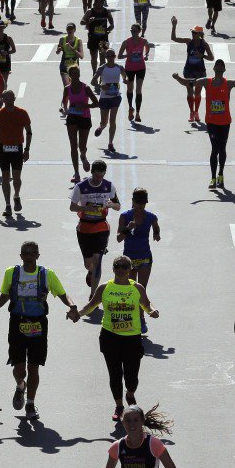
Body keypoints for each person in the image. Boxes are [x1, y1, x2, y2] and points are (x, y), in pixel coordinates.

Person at [0, 241, 79, 419]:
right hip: (17, 324)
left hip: (38, 324)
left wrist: (72, 306)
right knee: (19, 368)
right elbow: (5, 295)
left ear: (38, 255)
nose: (28, 257)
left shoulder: (47, 274)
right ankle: (20, 386)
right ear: (21, 256)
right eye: (25, 253)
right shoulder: (11, 273)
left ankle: (30, 404)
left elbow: (62, 294)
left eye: (32, 253)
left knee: (34, 367)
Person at [77, 255, 158, 420]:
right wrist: (78, 314)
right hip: (110, 336)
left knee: (131, 376)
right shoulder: (104, 287)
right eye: (117, 266)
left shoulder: (137, 288)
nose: (121, 270)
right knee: (114, 374)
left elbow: (146, 304)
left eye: (124, 267)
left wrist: (152, 311)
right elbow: (91, 305)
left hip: (132, 338)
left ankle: (130, 392)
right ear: (113, 269)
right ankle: (119, 406)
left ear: (129, 270)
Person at [182, 58, 235, 189]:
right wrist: (178, 78)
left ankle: (221, 175)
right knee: (215, 149)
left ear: (224, 69)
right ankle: (213, 177)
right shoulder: (206, 82)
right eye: (217, 65)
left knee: (222, 149)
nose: (219, 67)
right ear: (214, 69)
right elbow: (190, 83)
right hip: (211, 122)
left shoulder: (228, 83)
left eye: (221, 66)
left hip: (225, 122)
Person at [71, 160, 121, 297]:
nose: (99, 179)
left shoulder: (109, 186)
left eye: (102, 176)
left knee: (98, 261)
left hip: (101, 227)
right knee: (89, 264)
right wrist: (86, 208)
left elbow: (118, 206)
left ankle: (93, 295)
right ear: (92, 172)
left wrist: (111, 205)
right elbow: (72, 207)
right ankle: (91, 271)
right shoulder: (81, 187)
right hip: (84, 228)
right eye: (97, 176)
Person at [116, 188, 160, 335]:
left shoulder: (151, 217)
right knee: (130, 290)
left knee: (141, 289)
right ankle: (131, 317)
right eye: (137, 204)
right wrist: (128, 228)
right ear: (133, 202)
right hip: (128, 259)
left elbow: (156, 227)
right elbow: (119, 238)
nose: (140, 207)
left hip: (145, 257)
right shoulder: (125, 216)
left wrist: (157, 234)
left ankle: (141, 318)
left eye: (143, 205)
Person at [0, 89, 32, 219]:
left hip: (17, 148)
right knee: (5, 178)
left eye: (10, 99)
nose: (8, 101)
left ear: (14, 99)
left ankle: (16, 195)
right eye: (5, 99)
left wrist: (26, 150)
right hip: (3, 149)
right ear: (2, 100)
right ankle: (8, 205)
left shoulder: (22, 113)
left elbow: (29, 132)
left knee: (17, 177)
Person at [170, 17, 214, 123]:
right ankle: (191, 112)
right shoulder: (188, 41)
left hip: (199, 71)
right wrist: (174, 26)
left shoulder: (204, 44)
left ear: (199, 34)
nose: (193, 34)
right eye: (192, 32)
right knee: (190, 91)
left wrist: (202, 55)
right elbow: (174, 38)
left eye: (195, 33)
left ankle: (197, 112)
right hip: (189, 70)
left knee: (198, 92)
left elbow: (211, 58)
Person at [63, 64, 99, 182]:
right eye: (73, 74)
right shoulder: (67, 88)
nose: (75, 76)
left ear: (79, 74)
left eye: (77, 74)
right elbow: (64, 101)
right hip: (72, 118)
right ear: (70, 76)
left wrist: (84, 106)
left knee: (82, 146)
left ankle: (83, 156)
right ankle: (76, 173)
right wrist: (65, 109)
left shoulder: (86, 88)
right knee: (73, 146)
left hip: (84, 118)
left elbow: (96, 103)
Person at [93, 47, 124, 152]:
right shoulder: (102, 68)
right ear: (105, 57)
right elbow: (93, 81)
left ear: (115, 57)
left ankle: (110, 143)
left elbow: (125, 79)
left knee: (113, 121)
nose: (110, 58)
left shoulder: (120, 68)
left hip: (115, 97)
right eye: (108, 56)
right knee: (104, 122)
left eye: (112, 56)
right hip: (104, 98)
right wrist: (102, 87)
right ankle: (101, 128)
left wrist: (127, 81)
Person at [118, 25, 150, 123]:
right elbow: (119, 56)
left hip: (140, 67)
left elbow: (147, 48)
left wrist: (146, 55)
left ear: (139, 31)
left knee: (138, 90)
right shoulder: (126, 42)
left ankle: (138, 113)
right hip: (130, 68)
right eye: (132, 31)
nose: (133, 33)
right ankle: (131, 108)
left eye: (135, 31)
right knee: (130, 89)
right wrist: (128, 55)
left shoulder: (143, 41)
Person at [82, 0, 115, 73]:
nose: (100, 4)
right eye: (98, 2)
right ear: (95, 3)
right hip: (92, 37)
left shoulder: (107, 11)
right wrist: (88, 21)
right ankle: (94, 72)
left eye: (101, 2)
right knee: (94, 57)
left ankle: (101, 74)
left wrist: (108, 30)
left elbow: (112, 24)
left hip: (103, 38)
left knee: (103, 57)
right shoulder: (90, 11)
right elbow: (82, 22)